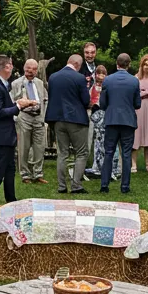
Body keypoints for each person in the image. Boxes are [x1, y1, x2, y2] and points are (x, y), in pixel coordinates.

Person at [0, 53, 36, 208]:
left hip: (6, 135)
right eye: (11, 65)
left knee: (10, 169)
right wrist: (19, 106)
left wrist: (16, 103)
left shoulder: (0, 84)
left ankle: (11, 201)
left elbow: (3, 106)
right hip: (1, 135)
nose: (13, 67)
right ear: (6, 67)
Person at [45, 54, 92, 194]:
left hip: (58, 119)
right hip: (76, 119)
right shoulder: (79, 78)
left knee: (62, 153)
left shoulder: (53, 77)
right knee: (82, 152)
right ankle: (76, 185)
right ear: (78, 65)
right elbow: (85, 100)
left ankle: (61, 186)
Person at [98, 54, 142, 193]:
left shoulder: (108, 80)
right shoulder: (134, 81)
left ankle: (104, 185)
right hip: (128, 120)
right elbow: (137, 104)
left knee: (109, 153)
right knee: (127, 154)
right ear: (128, 65)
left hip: (111, 120)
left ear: (117, 64)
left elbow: (102, 103)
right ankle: (125, 186)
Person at [10, 58, 47, 183]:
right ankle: (25, 174)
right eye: (28, 68)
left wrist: (43, 115)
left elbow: (45, 99)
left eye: (33, 68)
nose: (30, 71)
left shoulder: (40, 83)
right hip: (24, 117)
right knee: (23, 147)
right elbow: (12, 101)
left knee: (40, 147)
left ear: (37, 70)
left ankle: (38, 173)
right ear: (24, 68)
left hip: (38, 117)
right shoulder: (16, 83)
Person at [85, 64, 119, 181]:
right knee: (97, 142)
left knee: (106, 142)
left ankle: (112, 168)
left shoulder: (108, 86)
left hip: (105, 115)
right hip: (95, 115)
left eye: (103, 73)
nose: (100, 76)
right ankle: (97, 166)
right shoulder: (92, 86)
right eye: (98, 73)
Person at [79, 42, 99, 163]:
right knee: (85, 137)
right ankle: (83, 162)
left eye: (92, 52)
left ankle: (96, 162)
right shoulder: (79, 68)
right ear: (83, 53)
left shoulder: (99, 68)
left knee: (98, 136)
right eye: (87, 52)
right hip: (83, 107)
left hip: (97, 107)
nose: (90, 55)